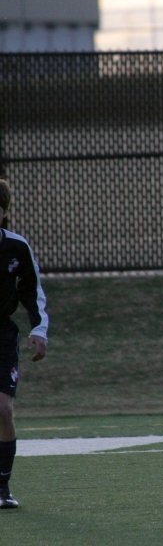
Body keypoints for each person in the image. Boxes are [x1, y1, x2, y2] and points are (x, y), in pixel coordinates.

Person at [0, 179, 49, 509]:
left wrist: (39, 329)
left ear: (3, 212)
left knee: (2, 409)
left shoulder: (16, 247)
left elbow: (32, 290)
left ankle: (2, 488)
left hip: (1, 335)